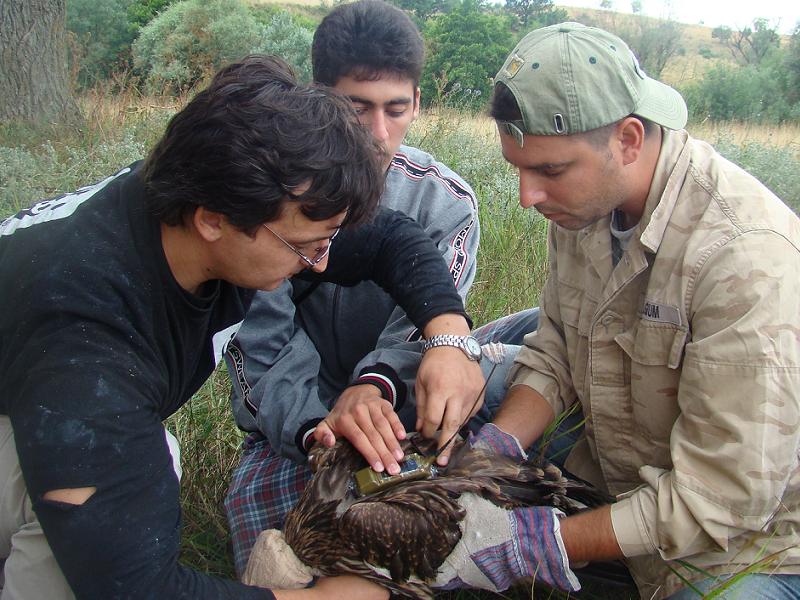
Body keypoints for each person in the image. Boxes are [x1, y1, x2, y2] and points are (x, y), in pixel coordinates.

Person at [0, 54, 486, 599]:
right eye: (304, 247)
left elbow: (388, 240)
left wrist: (447, 337)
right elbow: (136, 588)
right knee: (117, 508)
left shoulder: (213, 202)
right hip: (28, 413)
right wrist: (325, 598)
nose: (321, 263)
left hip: (39, 396)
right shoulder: (90, 342)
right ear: (213, 220)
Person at [461, 21, 800, 600]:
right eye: (519, 167)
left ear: (629, 140)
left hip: (749, 545)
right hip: (626, 464)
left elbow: (719, 500)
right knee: (472, 388)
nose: (526, 196)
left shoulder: (744, 258)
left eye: (548, 170)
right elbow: (556, 351)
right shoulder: (583, 204)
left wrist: (539, 544)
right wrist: (492, 452)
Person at [223, 0, 540, 576]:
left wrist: (375, 388)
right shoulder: (268, 194)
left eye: (396, 109)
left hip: (405, 401)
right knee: (273, 547)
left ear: (418, 102)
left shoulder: (447, 200)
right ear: (319, 100)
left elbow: (425, 329)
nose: (377, 133)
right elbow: (260, 345)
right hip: (303, 422)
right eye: (356, 108)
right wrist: (319, 431)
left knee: (546, 336)